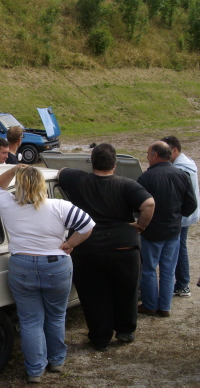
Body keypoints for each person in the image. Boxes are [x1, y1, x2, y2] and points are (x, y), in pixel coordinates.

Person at [0, 165, 95, 383]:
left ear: (18, 185)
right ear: (42, 185)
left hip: (21, 265)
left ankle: (35, 370)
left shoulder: (7, 203)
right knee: (56, 315)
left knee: (29, 320)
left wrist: (14, 170)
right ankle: (56, 360)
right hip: (56, 264)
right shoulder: (59, 206)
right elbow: (87, 225)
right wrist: (70, 244)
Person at [58, 144, 154, 349]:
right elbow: (149, 204)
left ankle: (100, 338)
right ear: (115, 164)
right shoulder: (126, 185)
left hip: (88, 247)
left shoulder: (77, 179)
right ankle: (125, 331)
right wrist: (140, 225)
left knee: (94, 295)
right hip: (124, 248)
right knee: (126, 291)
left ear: (91, 162)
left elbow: (59, 172)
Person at [136, 141, 197, 317]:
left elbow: (137, 204)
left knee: (148, 269)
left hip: (152, 231)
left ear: (155, 155)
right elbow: (191, 204)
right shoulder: (181, 175)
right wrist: (177, 215)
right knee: (168, 270)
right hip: (173, 231)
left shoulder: (146, 178)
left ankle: (149, 305)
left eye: (148, 154)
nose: (147, 158)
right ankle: (165, 307)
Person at [161, 136, 200, 298]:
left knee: (178, 248)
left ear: (175, 150)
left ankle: (183, 284)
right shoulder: (186, 163)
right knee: (179, 247)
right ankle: (182, 283)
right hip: (187, 213)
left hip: (183, 215)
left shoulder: (181, 169)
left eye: (167, 151)